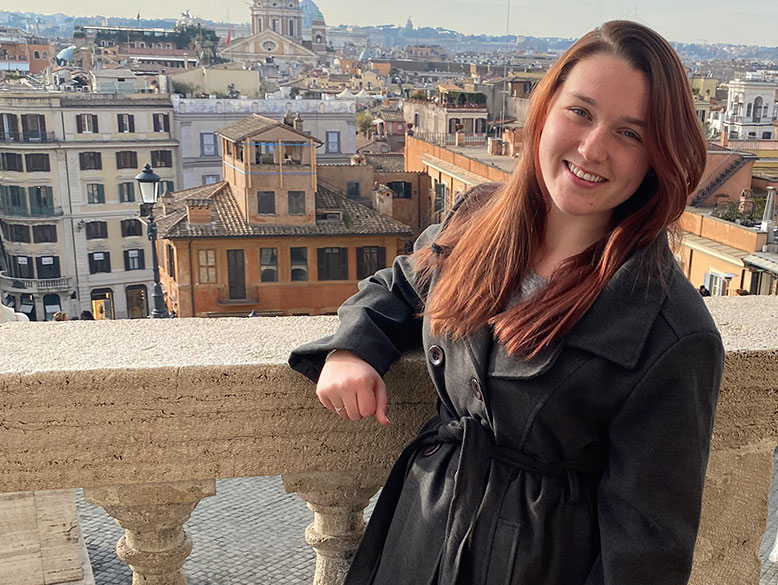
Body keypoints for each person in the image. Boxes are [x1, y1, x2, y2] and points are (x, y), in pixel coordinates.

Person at [289, 20, 723, 585]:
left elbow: (646, 553)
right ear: (544, 111)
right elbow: (400, 284)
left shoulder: (671, 332)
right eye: (581, 112)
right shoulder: (480, 218)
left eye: (630, 134)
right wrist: (352, 349)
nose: (593, 148)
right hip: (420, 535)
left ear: (657, 157)